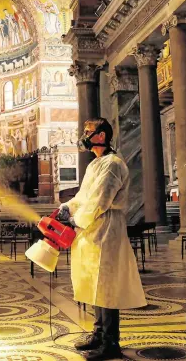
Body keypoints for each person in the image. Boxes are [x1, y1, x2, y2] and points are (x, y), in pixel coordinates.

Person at [58, 117, 146, 360]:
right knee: (92, 282)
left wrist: (76, 220)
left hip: (106, 227)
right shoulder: (95, 165)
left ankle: (110, 342)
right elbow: (84, 195)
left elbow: (100, 200)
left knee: (105, 283)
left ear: (101, 135)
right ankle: (97, 333)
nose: (84, 135)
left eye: (88, 131)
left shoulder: (113, 164)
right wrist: (67, 206)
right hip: (91, 228)